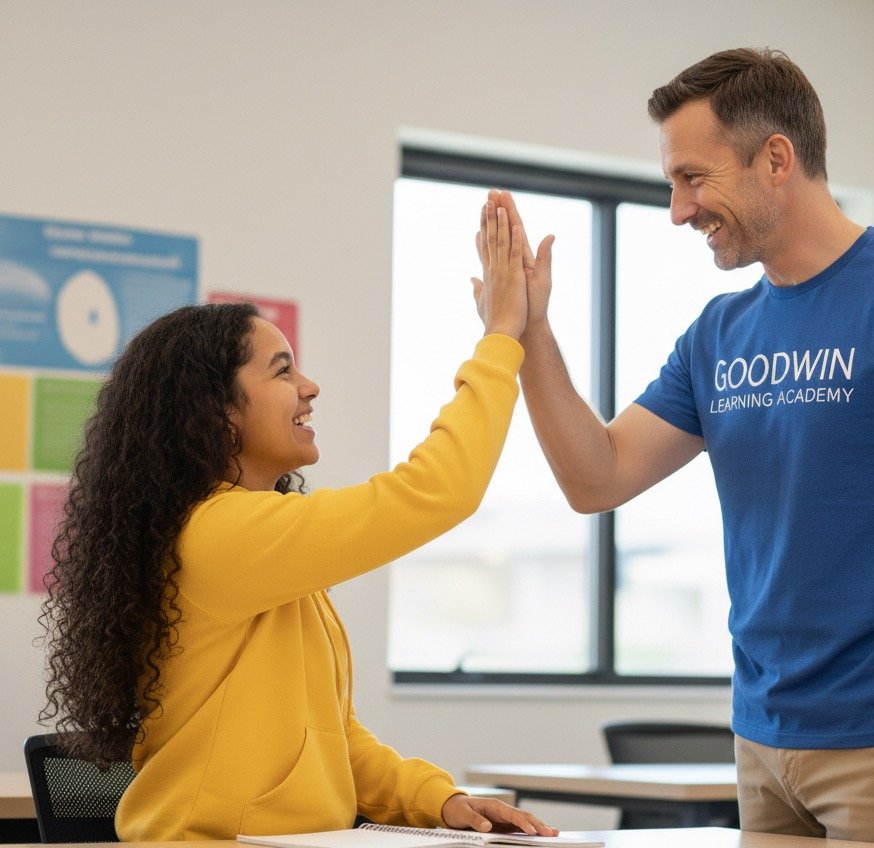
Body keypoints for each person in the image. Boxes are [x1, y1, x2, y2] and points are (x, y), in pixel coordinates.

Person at [485, 48, 874, 847]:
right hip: (762, 744)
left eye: (693, 178)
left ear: (777, 158)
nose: (677, 210)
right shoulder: (719, 334)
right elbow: (595, 477)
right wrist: (528, 332)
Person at [39, 205, 558, 841]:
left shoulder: (261, 539)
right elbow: (437, 490)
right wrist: (502, 335)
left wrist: (439, 800)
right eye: (282, 370)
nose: (309, 386)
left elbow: (330, 739)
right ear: (216, 409)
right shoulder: (218, 534)